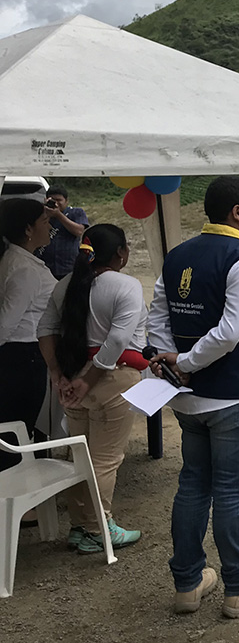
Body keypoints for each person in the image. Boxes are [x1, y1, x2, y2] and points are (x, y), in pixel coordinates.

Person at [147, 176, 239, 617]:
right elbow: (231, 332)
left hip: (188, 399)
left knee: (193, 485)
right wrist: (186, 363)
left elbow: (157, 319)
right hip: (234, 395)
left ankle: (188, 583)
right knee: (230, 491)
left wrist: (171, 364)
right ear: (237, 212)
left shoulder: (177, 256)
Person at [37, 224, 147, 553]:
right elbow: (117, 339)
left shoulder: (66, 284)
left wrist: (58, 374)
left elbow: (45, 329)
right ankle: (100, 527)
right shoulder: (126, 285)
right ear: (121, 253)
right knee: (105, 459)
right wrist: (89, 379)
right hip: (110, 379)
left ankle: (80, 525)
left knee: (80, 456)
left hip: (71, 380)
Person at [0, 198, 55, 471]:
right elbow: (5, 323)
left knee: (15, 429)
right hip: (22, 358)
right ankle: (15, 490)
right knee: (16, 431)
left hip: (22, 356)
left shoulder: (20, 260)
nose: (50, 227)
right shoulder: (24, 270)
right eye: (44, 221)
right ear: (28, 229)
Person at [37, 185, 89, 280]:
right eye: (52, 200)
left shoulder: (76, 212)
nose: (56, 203)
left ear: (66, 201)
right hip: (44, 268)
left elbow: (78, 231)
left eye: (59, 200)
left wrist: (58, 215)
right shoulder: (40, 213)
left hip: (69, 267)